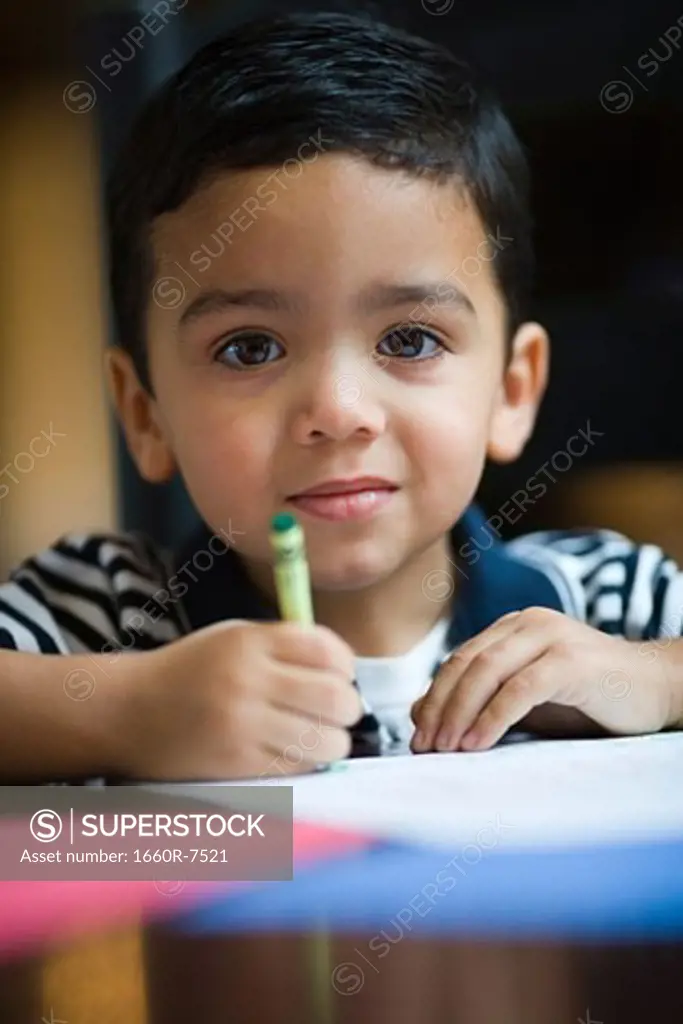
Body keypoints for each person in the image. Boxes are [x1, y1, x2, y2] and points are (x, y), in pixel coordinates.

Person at [0, 11, 680, 783]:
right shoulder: (101, 616)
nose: (336, 410)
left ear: (510, 390)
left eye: (409, 340)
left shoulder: (603, 602)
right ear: (145, 413)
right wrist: (123, 713)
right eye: (249, 347)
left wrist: (653, 679)